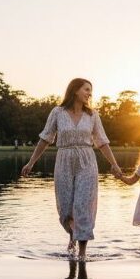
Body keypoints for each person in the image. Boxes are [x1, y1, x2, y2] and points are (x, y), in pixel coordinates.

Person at [21, 78, 122, 257]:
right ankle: (72, 235)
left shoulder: (93, 115)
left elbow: (102, 142)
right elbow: (45, 138)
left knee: (84, 207)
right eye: (86, 89)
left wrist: (114, 164)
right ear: (75, 90)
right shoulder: (57, 113)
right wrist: (31, 163)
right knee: (65, 208)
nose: (89, 93)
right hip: (64, 161)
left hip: (87, 162)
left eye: (90, 91)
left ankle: (82, 253)